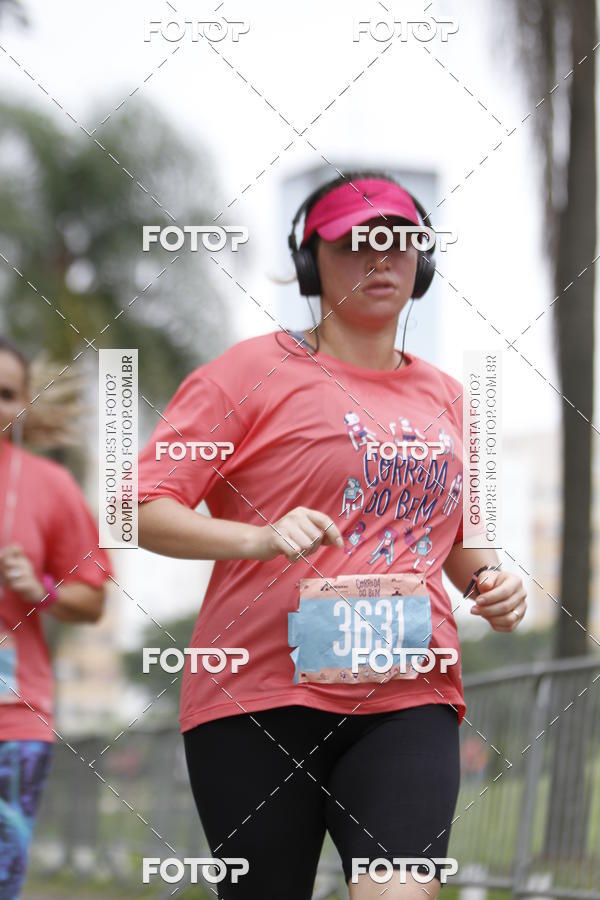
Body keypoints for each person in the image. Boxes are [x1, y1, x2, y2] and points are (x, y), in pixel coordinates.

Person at [137, 169, 527, 899]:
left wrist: (488, 581)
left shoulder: (450, 397)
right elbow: (141, 505)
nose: (381, 259)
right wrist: (257, 539)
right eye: (355, 243)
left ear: (423, 262)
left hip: (407, 697)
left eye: (398, 241)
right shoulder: (248, 373)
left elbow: (455, 536)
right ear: (311, 262)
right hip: (257, 699)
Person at [0, 336, 113, 899]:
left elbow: (92, 599)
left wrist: (39, 589)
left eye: (5, 393)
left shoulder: (49, 486)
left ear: (23, 404)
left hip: (12, 723)